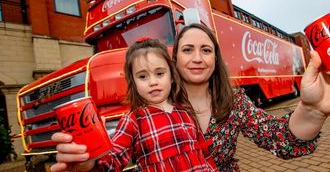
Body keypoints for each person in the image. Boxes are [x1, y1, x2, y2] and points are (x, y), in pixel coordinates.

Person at [52, 23, 330, 171]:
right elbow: (113, 157)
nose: (197, 58)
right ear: (174, 60)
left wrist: (315, 109)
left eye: (206, 50)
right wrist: (87, 162)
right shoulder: (150, 110)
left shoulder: (233, 102)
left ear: (215, 59)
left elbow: (282, 141)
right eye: (188, 50)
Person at [51, 38, 217, 171]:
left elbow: (203, 151)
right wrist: (87, 163)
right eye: (143, 76)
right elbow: (113, 160)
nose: (153, 82)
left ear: (172, 76)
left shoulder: (185, 111)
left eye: (159, 73)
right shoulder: (133, 119)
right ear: (133, 83)